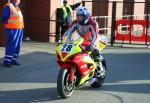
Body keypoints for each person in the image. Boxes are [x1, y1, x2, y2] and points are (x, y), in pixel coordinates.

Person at [2, 0, 24, 67]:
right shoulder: (9, 6)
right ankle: (7, 61)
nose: (19, 1)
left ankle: (13, 60)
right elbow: (4, 18)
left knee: (17, 45)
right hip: (12, 29)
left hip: (19, 29)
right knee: (11, 44)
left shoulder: (16, 7)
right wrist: (8, 26)